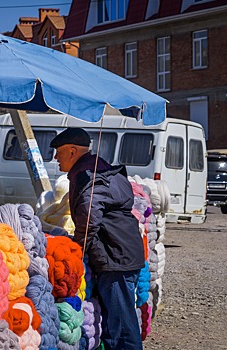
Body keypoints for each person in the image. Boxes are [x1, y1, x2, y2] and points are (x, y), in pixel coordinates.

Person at [50, 128, 145, 350]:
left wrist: (78, 249)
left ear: (72, 151)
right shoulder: (103, 168)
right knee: (120, 318)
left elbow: (89, 216)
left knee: (120, 325)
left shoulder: (87, 176)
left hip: (114, 256)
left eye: (58, 152)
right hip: (122, 251)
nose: (55, 158)